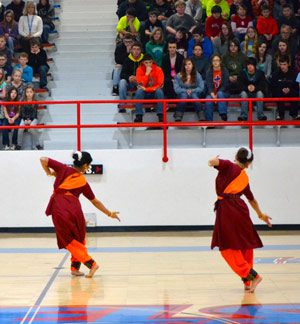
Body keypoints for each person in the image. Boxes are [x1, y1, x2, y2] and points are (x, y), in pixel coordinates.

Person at [40, 151, 120, 278]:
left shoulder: (63, 168)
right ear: (85, 165)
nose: (88, 168)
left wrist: (48, 172)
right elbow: (95, 201)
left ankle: (91, 263)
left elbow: (43, 159)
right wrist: (109, 213)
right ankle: (75, 268)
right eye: (88, 166)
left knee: (67, 239)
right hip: (75, 209)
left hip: (61, 208)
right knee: (77, 236)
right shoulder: (82, 181)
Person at [208, 147, 272, 293]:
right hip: (241, 210)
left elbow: (211, 162)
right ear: (248, 163)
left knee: (227, 248)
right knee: (244, 245)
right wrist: (261, 215)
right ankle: (248, 282)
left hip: (228, 210)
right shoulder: (243, 177)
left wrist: (214, 159)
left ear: (236, 157)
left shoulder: (229, 166)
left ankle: (252, 276)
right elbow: (251, 199)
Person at [133, 53, 164, 122]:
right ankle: (139, 115)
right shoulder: (139, 70)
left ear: (152, 61)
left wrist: (147, 89)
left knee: (159, 91)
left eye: (150, 62)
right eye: (146, 63)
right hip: (144, 94)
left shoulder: (158, 69)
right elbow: (140, 84)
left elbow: (160, 84)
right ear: (143, 62)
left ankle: (160, 115)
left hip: (154, 92)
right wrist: (146, 74)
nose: (148, 64)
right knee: (139, 91)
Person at [270, 55, 299, 120]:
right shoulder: (275, 73)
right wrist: (281, 89)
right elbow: (272, 86)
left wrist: (289, 89)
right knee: (278, 94)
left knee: (295, 93)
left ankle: (294, 114)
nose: (282, 66)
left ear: (288, 64)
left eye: (284, 64)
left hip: (291, 91)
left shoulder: (294, 73)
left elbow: (297, 85)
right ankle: (281, 115)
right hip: (279, 92)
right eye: (281, 64)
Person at [17, 84, 42, 150]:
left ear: (33, 92)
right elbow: (22, 112)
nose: (29, 94)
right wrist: (25, 119)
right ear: (25, 93)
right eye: (27, 92)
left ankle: (37, 144)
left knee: (32, 128)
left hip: (33, 118)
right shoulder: (23, 101)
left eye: (30, 92)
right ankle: (19, 145)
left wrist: (30, 120)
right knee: (20, 128)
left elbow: (34, 112)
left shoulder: (35, 101)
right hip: (24, 118)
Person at [205, 54, 229, 121]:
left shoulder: (225, 71)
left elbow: (225, 85)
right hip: (211, 93)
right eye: (214, 60)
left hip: (224, 93)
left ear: (220, 61)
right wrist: (213, 95)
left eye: (217, 60)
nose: (215, 62)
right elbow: (209, 85)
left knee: (220, 93)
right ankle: (209, 122)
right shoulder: (209, 72)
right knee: (208, 100)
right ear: (211, 62)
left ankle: (223, 113)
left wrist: (217, 94)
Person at [2, 86, 20, 150]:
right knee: (4, 126)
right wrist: (9, 118)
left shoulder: (18, 101)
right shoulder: (5, 100)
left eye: (15, 93)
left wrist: (13, 118)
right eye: (12, 92)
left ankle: (14, 144)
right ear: (9, 93)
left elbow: (18, 113)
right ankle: (6, 144)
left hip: (15, 117)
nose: (13, 94)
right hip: (7, 117)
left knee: (17, 126)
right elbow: (5, 112)